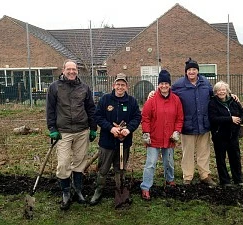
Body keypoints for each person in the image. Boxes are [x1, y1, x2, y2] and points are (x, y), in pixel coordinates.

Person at [46, 59, 97, 210]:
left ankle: (78, 190)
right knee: (63, 163)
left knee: (80, 162)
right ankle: (66, 193)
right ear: (63, 70)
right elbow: (50, 110)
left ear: (77, 71)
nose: (71, 72)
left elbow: (91, 108)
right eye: (68, 69)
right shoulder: (54, 88)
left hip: (82, 131)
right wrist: (52, 128)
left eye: (74, 69)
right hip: (63, 132)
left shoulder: (84, 88)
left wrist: (93, 128)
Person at [90, 73, 141, 206]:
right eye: (118, 84)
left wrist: (128, 129)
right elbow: (98, 116)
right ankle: (98, 191)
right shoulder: (105, 99)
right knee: (103, 169)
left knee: (120, 168)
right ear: (114, 85)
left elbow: (137, 118)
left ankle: (120, 190)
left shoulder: (132, 101)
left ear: (126, 87)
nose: (120, 87)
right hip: (107, 142)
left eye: (122, 84)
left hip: (124, 143)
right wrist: (110, 128)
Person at [171, 58, 217, 186]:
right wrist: (154, 93)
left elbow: (215, 97)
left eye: (194, 69)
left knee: (204, 151)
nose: (192, 72)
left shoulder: (206, 83)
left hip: (204, 123)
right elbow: (167, 94)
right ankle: (188, 176)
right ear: (186, 72)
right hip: (188, 125)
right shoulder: (178, 85)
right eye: (189, 70)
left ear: (198, 71)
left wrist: (231, 96)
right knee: (187, 153)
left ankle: (205, 175)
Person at [140, 70, 184, 200]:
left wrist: (177, 131)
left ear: (170, 85)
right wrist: (146, 133)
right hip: (154, 138)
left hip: (169, 138)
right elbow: (145, 117)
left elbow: (180, 118)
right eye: (161, 83)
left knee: (169, 162)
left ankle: (169, 180)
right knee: (151, 163)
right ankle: (146, 187)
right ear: (158, 85)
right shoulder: (152, 100)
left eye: (166, 83)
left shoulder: (176, 100)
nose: (164, 86)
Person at [208, 81, 243, 187]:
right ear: (215, 92)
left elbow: (242, 113)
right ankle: (225, 181)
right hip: (219, 135)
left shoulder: (233, 100)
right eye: (219, 90)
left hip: (233, 135)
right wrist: (230, 119)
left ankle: (238, 179)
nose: (221, 92)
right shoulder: (213, 103)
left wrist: (240, 121)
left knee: (235, 157)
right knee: (221, 159)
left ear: (227, 91)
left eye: (223, 90)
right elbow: (213, 118)